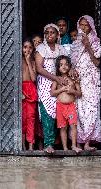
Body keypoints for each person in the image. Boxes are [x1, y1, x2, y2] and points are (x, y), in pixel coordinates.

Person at [35, 23, 68, 154]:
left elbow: (67, 63)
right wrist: (55, 78)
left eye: (52, 32)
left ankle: (57, 142)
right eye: (47, 33)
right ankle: (48, 144)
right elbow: (39, 68)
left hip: (59, 84)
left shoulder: (61, 49)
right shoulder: (41, 49)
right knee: (46, 112)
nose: (49, 35)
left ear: (57, 34)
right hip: (45, 85)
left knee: (58, 111)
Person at [70, 15, 101, 151]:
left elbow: (97, 62)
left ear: (91, 26)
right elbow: (72, 62)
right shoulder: (76, 42)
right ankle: (78, 142)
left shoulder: (95, 41)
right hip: (79, 80)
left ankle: (88, 143)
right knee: (79, 110)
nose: (83, 28)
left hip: (91, 80)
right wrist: (72, 70)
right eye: (81, 25)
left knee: (91, 109)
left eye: (86, 25)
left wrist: (88, 46)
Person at [50, 55, 82, 153]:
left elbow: (79, 93)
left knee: (73, 126)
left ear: (69, 66)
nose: (64, 66)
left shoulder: (73, 78)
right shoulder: (57, 79)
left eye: (66, 64)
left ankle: (73, 146)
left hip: (71, 106)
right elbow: (52, 93)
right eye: (61, 65)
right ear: (58, 68)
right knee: (63, 127)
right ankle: (65, 148)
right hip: (60, 106)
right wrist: (62, 89)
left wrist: (72, 91)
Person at [22, 38, 38, 151]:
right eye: (25, 47)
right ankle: (22, 146)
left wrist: (28, 61)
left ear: (33, 49)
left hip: (31, 90)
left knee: (31, 118)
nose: (27, 49)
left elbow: (33, 78)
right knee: (22, 119)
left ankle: (31, 146)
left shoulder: (33, 62)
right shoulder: (18, 61)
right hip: (21, 90)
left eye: (30, 47)